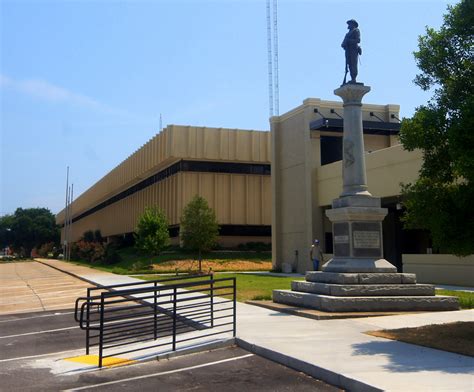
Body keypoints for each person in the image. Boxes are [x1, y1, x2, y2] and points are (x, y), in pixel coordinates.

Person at [341, 19, 361, 84]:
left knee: (353, 64)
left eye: (350, 24)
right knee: (349, 65)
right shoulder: (347, 34)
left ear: (353, 24)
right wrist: (345, 44)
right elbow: (342, 44)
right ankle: (352, 78)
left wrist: (349, 41)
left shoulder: (356, 31)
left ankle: (353, 78)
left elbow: (358, 40)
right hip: (348, 51)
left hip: (353, 50)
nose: (348, 25)